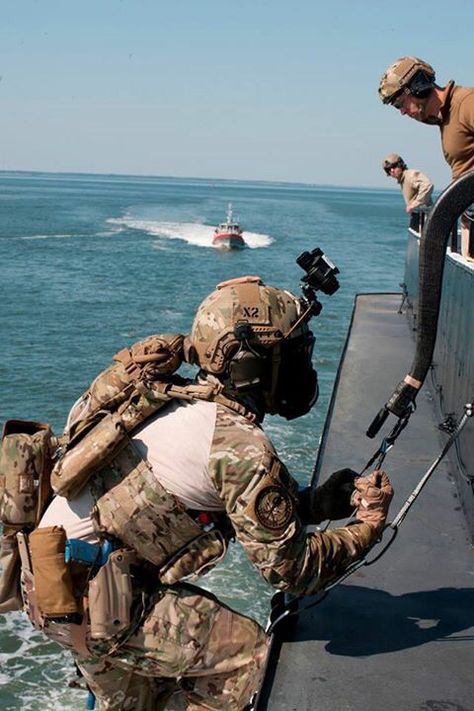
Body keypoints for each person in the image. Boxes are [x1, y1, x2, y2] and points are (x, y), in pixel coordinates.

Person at [24, 275, 394, 710]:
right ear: (250, 365)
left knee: (138, 704)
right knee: (256, 660)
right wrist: (367, 529)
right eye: (291, 356)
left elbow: (230, 501)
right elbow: (292, 572)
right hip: (103, 603)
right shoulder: (237, 445)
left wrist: (315, 503)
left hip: (50, 590)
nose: (302, 368)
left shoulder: (169, 401)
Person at [379, 57, 474, 252]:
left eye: (400, 104)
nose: (402, 112)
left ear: (417, 87)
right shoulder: (445, 117)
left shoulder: (466, 103)